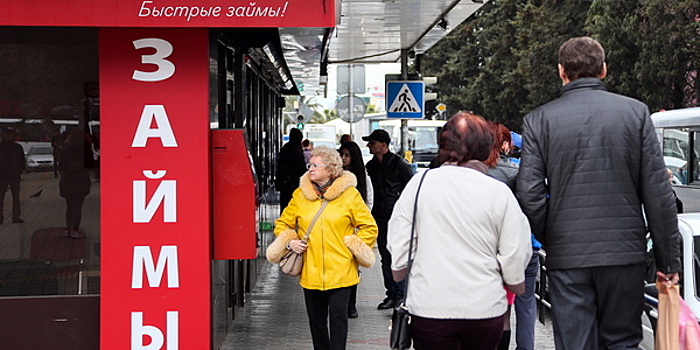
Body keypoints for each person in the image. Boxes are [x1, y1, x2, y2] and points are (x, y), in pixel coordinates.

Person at [516, 36, 681, 350]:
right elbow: (658, 195)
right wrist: (668, 263)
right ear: (603, 69)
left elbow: (529, 194)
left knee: (576, 343)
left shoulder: (539, 121)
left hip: (569, 255)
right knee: (622, 341)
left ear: (561, 71)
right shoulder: (635, 114)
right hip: (625, 252)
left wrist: (553, 235)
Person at [388, 112, 531, 349]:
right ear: (486, 147)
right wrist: (515, 282)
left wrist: (400, 270)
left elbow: (400, 239)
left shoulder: (420, 184)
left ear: (443, 145)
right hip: (484, 307)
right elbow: (516, 248)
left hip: (430, 305)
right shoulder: (498, 192)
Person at [272, 146, 378, 350]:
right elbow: (283, 224)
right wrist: (289, 241)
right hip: (311, 270)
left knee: (339, 318)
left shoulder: (349, 195)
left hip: (341, 269)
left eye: (315, 165)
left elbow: (369, 227)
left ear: (330, 169)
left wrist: (352, 247)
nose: (310, 169)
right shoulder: (300, 195)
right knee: (316, 321)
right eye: (309, 165)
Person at [485, 122, 540, 350]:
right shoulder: (518, 173)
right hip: (527, 248)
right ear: (506, 145)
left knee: (501, 307)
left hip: (493, 250)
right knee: (527, 305)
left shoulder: (477, 174)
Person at [362, 129, 414, 310]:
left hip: (398, 219)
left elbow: (412, 190)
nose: (369, 145)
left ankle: (400, 295)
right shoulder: (371, 166)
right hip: (379, 218)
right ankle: (391, 294)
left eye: (372, 142)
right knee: (385, 256)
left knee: (397, 255)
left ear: (383, 145)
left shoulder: (400, 164)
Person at [338, 141, 374, 319]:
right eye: (341, 155)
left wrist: (361, 227)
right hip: (338, 229)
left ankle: (351, 304)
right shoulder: (335, 177)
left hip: (355, 230)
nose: (344, 159)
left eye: (347, 155)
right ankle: (342, 304)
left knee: (353, 267)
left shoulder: (363, 178)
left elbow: (368, 203)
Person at [59, 128, 96, 238]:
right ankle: (75, 229)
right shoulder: (86, 149)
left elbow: (61, 165)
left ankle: (68, 229)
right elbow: (91, 164)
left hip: (68, 180)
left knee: (69, 206)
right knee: (78, 206)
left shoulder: (66, 148)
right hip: (81, 180)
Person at [275, 128, 307, 214]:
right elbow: (301, 169)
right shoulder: (297, 150)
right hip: (294, 184)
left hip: (285, 183)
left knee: (285, 205)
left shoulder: (285, 148)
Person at [0, 127, 25, 224]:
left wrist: (18, 171)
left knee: (16, 198)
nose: (8, 136)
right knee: (0, 198)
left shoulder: (17, 147)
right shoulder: (0, 147)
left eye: (10, 134)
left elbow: (22, 161)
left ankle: (16, 217)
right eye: (6, 134)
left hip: (14, 176)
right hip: (1, 177)